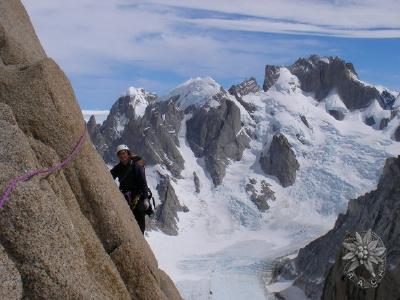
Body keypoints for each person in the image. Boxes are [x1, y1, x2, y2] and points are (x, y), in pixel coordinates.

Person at [110, 144, 150, 234]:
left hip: (138, 195)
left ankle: (140, 236)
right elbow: (109, 176)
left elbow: (143, 182)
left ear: (128, 154)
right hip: (126, 196)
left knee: (139, 212)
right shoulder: (118, 168)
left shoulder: (136, 166)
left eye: (124, 153)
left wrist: (146, 199)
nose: (122, 156)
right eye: (120, 154)